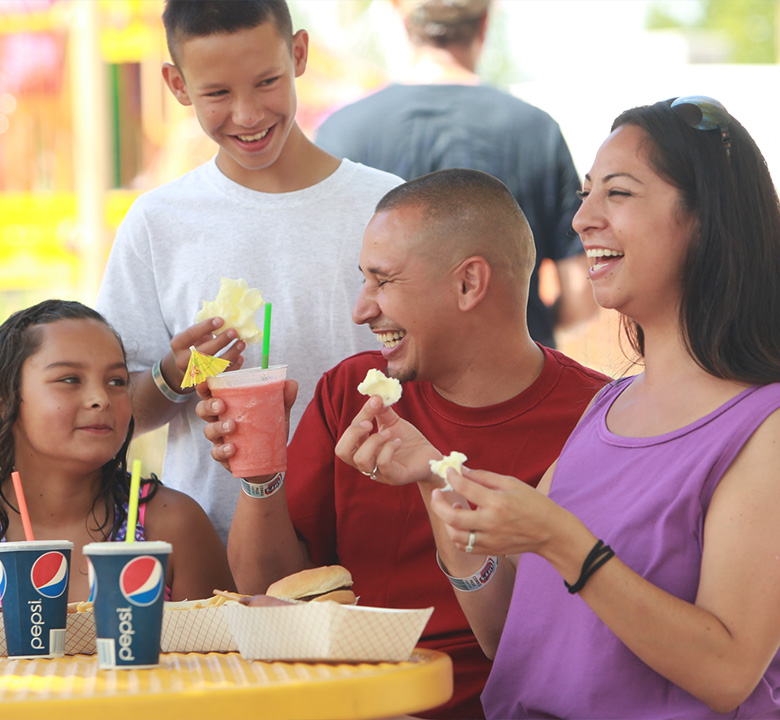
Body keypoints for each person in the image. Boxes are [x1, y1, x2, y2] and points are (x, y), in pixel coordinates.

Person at [358, 98, 780, 717]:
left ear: (705, 219)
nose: (581, 219)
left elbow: (728, 669)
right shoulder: (609, 405)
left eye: (619, 194)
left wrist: (564, 541)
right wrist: (434, 480)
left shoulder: (778, 425)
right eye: (585, 194)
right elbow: (511, 636)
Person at [197, 169, 611, 718]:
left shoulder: (599, 419)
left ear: (469, 284)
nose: (361, 309)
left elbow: (557, 640)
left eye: (383, 281)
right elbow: (274, 586)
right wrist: (260, 472)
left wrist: (440, 478)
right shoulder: (351, 391)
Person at [96, 0, 402, 543]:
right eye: (217, 93)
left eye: (266, 82)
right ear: (178, 84)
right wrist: (175, 375)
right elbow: (120, 413)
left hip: (377, 530)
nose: (247, 114)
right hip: (216, 550)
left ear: (299, 54)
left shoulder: (387, 206)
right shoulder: (157, 222)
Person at [0, 300, 233, 650]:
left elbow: (218, 676)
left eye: (117, 381)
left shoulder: (171, 526)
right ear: (1, 404)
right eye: (69, 379)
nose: (100, 398)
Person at [314, 0, 596, 350]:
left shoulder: (342, 131)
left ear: (403, 22)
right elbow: (581, 293)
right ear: (484, 24)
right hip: (514, 379)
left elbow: (324, 287)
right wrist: (530, 326)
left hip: (388, 384)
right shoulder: (538, 129)